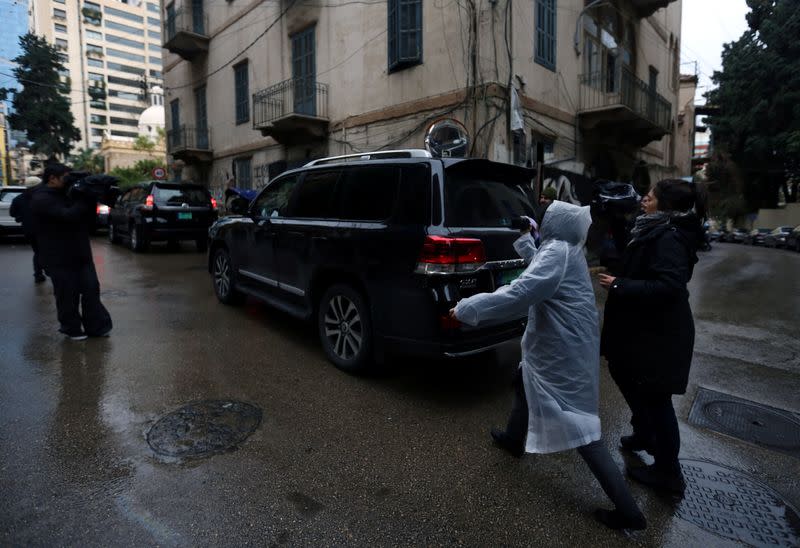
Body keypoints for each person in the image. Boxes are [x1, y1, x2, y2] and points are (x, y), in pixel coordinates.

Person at [450, 201, 646, 531]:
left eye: (544, 219)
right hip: (560, 347)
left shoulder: (557, 251)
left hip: (562, 352)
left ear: (553, 224)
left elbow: (522, 291)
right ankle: (515, 440)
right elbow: (539, 269)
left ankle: (629, 511)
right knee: (525, 381)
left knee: (583, 431)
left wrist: (468, 308)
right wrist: (527, 239)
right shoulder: (565, 248)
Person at [598, 179, 708, 496]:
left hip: (661, 334)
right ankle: (644, 431)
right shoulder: (652, 228)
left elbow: (669, 286)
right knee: (620, 368)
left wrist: (620, 285)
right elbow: (637, 259)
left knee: (657, 401)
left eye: (652, 195)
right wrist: (616, 224)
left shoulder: (669, 237)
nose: (645, 198)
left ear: (666, 206)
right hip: (644, 328)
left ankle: (668, 473)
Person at [29, 163, 112, 341]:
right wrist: (84, 199)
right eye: (66, 177)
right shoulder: (41, 198)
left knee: (91, 290)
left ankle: (96, 327)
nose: (69, 181)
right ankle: (71, 328)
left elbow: (88, 220)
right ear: (52, 178)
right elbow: (68, 216)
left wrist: (92, 196)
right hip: (58, 256)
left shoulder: (70, 193)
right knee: (67, 294)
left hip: (81, 252)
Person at [10, 176, 46, 283]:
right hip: (44, 229)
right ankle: (44, 272)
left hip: (28, 230)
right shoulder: (42, 196)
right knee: (45, 251)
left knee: (38, 252)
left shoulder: (18, 199)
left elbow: (12, 213)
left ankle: (38, 274)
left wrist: (21, 216)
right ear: (38, 186)